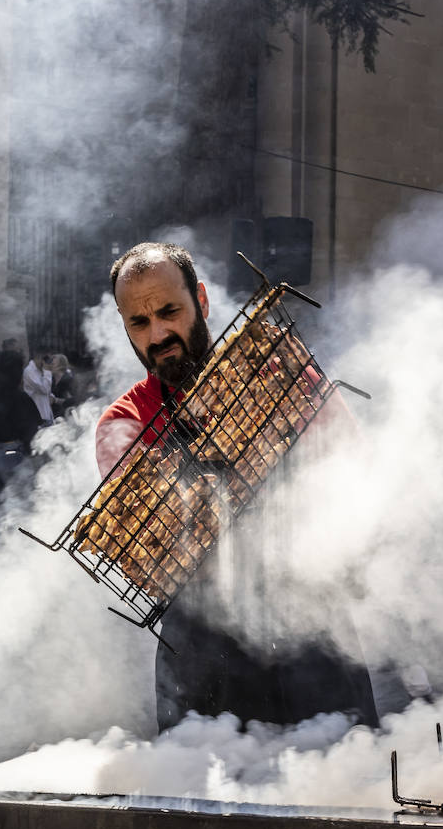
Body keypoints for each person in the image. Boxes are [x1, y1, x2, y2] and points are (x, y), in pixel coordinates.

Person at [97, 242, 379, 735]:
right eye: (139, 324)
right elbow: (159, 546)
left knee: (344, 790)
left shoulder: (273, 367)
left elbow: (351, 465)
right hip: (206, 661)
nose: (159, 334)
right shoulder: (123, 423)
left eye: (170, 312)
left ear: (201, 302)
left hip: (312, 629)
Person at [0, 349, 43, 531]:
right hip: (13, 453)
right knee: (20, 505)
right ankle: (17, 550)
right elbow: (31, 432)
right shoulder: (20, 398)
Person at [22, 349, 55, 424]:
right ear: (40, 358)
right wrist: (47, 371)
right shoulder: (30, 371)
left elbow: (47, 390)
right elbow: (44, 389)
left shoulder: (41, 369)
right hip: (39, 414)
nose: (49, 362)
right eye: (47, 359)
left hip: (46, 411)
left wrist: (52, 396)